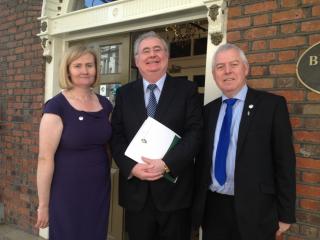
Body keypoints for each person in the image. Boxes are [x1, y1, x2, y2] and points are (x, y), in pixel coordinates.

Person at [192, 43, 296, 240]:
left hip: (257, 210)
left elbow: (285, 163)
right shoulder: (207, 111)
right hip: (213, 208)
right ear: (214, 75)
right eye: (220, 67)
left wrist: (285, 214)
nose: (227, 71)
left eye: (234, 64)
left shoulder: (271, 106)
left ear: (246, 69)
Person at [111, 31, 202, 240]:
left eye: (157, 49)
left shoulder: (187, 90)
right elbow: (116, 136)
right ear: (136, 60)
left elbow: (195, 133)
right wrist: (131, 167)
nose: (152, 55)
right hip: (136, 193)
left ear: (167, 56)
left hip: (175, 192)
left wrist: (166, 164)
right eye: (145, 51)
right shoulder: (124, 94)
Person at [35, 45, 113, 240]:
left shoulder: (105, 104)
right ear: (68, 70)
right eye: (77, 65)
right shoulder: (56, 106)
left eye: (90, 65)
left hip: (98, 190)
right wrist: (43, 205)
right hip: (66, 191)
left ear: (96, 69)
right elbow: (45, 158)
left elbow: (110, 145)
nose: (85, 71)